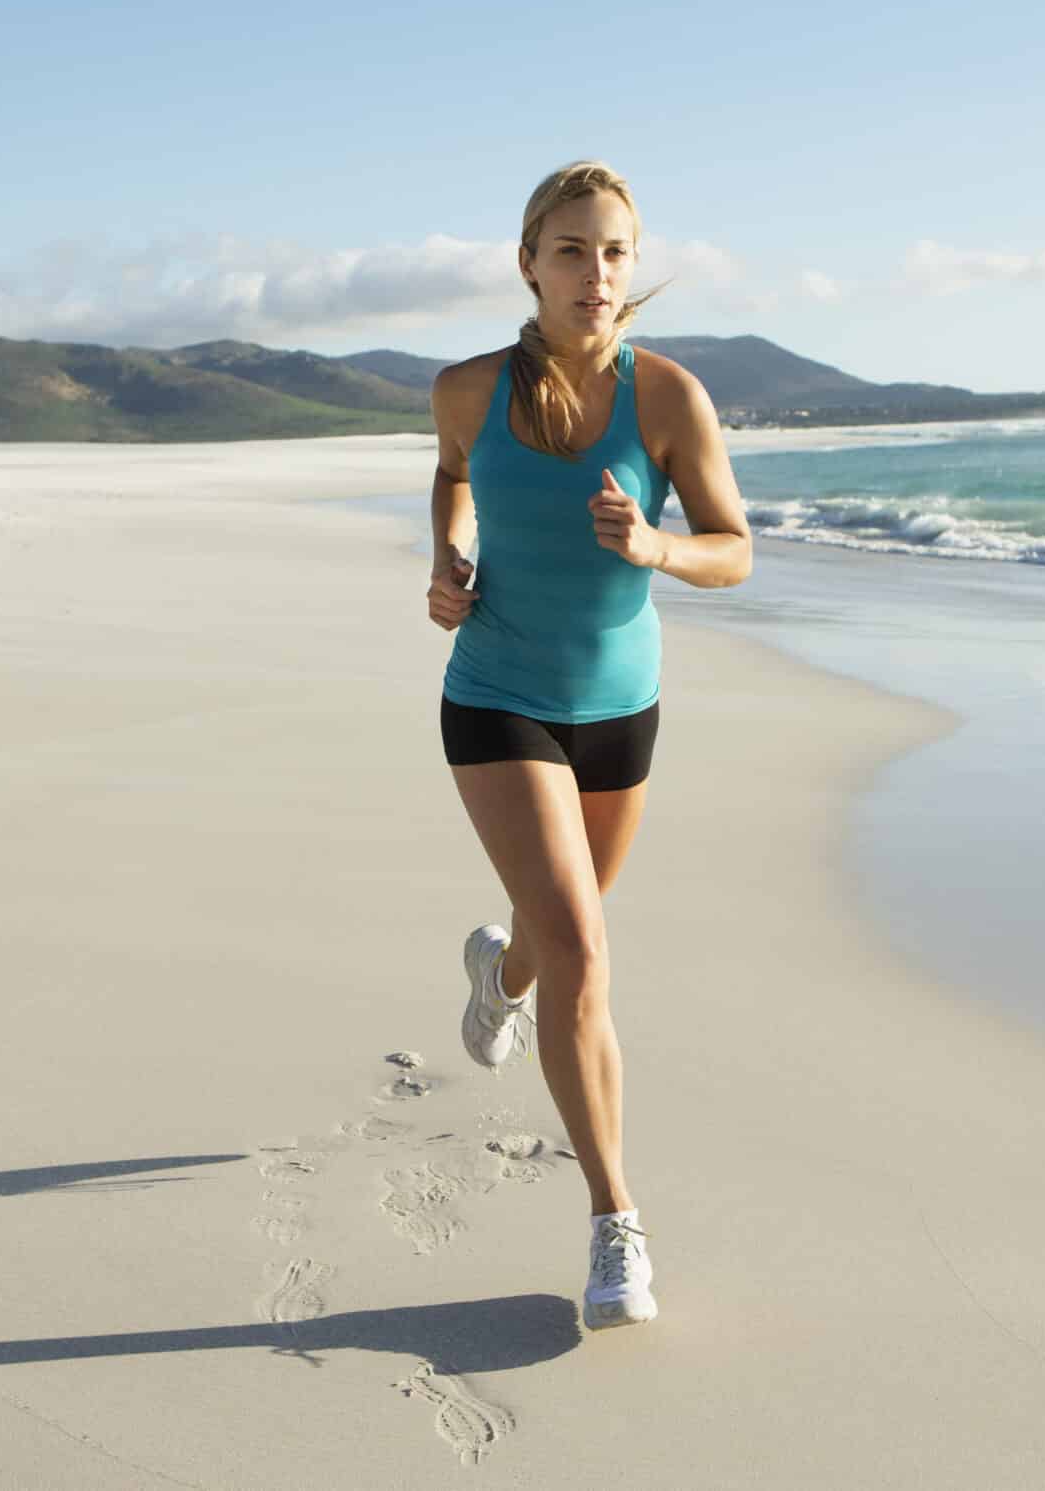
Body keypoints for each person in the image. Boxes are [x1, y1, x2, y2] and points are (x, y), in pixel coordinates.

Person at [425, 160, 754, 1332]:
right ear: (528, 263)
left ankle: (497, 973)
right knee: (584, 945)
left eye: (613, 252)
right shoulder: (464, 389)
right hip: (498, 691)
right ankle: (617, 1226)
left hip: (620, 706)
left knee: (555, 946)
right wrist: (448, 562)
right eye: (570, 250)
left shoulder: (666, 397)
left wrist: (655, 552)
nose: (594, 272)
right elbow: (453, 479)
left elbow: (732, 548)